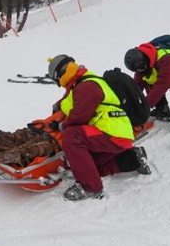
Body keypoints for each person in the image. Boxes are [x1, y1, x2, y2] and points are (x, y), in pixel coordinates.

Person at [46, 55, 150, 202]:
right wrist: (59, 107)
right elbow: (71, 102)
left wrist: (60, 125)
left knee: (72, 135)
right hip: (117, 135)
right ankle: (133, 158)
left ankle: (90, 188)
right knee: (88, 168)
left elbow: (79, 117)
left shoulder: (87, 85)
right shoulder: (81, 83)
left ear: (59, 76)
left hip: (111, 133)